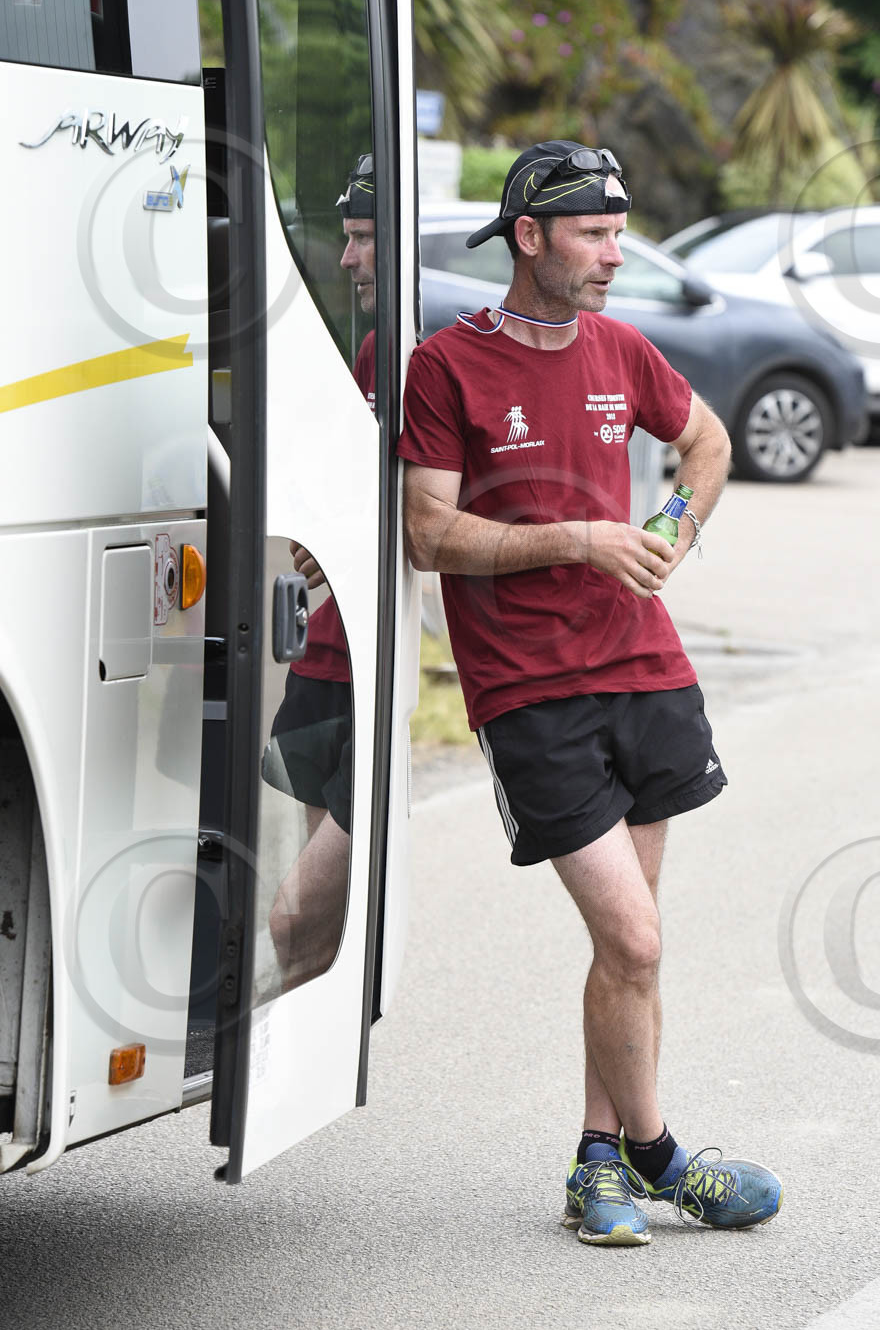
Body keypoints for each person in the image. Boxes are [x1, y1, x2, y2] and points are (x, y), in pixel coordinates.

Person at [399, 140, 783, 1246]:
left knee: (632, 942)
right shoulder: (446, 366)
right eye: (596, 235)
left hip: (646, 670)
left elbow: (706, 441)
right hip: (529, 690)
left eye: (620, 233)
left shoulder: (622, 347)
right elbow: (428, 533)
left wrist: (671, 531)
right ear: (529, 238)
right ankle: (661, 1156)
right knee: (637, 939)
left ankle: (598, 1163)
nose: (618, 255)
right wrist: (580, 538)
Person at [265, 157, 376, 991]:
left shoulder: (430, 359)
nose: (346, 259)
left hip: (367, 665)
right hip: (319, 665)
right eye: (345, 237)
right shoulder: (369, 352)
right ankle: (314, 1060)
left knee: (296, 916)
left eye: (363, 239)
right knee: (320, 924)